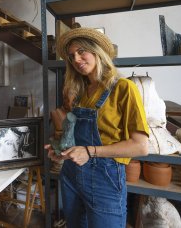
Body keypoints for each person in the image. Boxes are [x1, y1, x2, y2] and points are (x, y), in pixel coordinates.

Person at [45, 27, 150, 228]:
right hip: (71, 175)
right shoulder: (82, 92)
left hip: (104, 178)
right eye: (71, 56)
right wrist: (63, 151)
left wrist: (89, 152)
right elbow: (79, 140)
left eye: (81, 51)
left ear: (97, 51)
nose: (76, 59)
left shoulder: (123, 88)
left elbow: (141, 146)